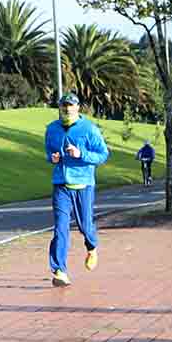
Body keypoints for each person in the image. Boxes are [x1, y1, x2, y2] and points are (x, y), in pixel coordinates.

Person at [43, 92, 109, 287]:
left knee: (85, 226)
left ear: (78, 107)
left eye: (71, 105)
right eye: (64, 105)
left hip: (83, 184)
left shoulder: (89, 128)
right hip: (61, 184)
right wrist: (52, 158)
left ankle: (92, 247)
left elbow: (103, 154)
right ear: (59, 108)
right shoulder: (52, 129)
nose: (67, 109)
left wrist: (81, 154)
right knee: (60, 227)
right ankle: (59, 270)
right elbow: (48, 151)